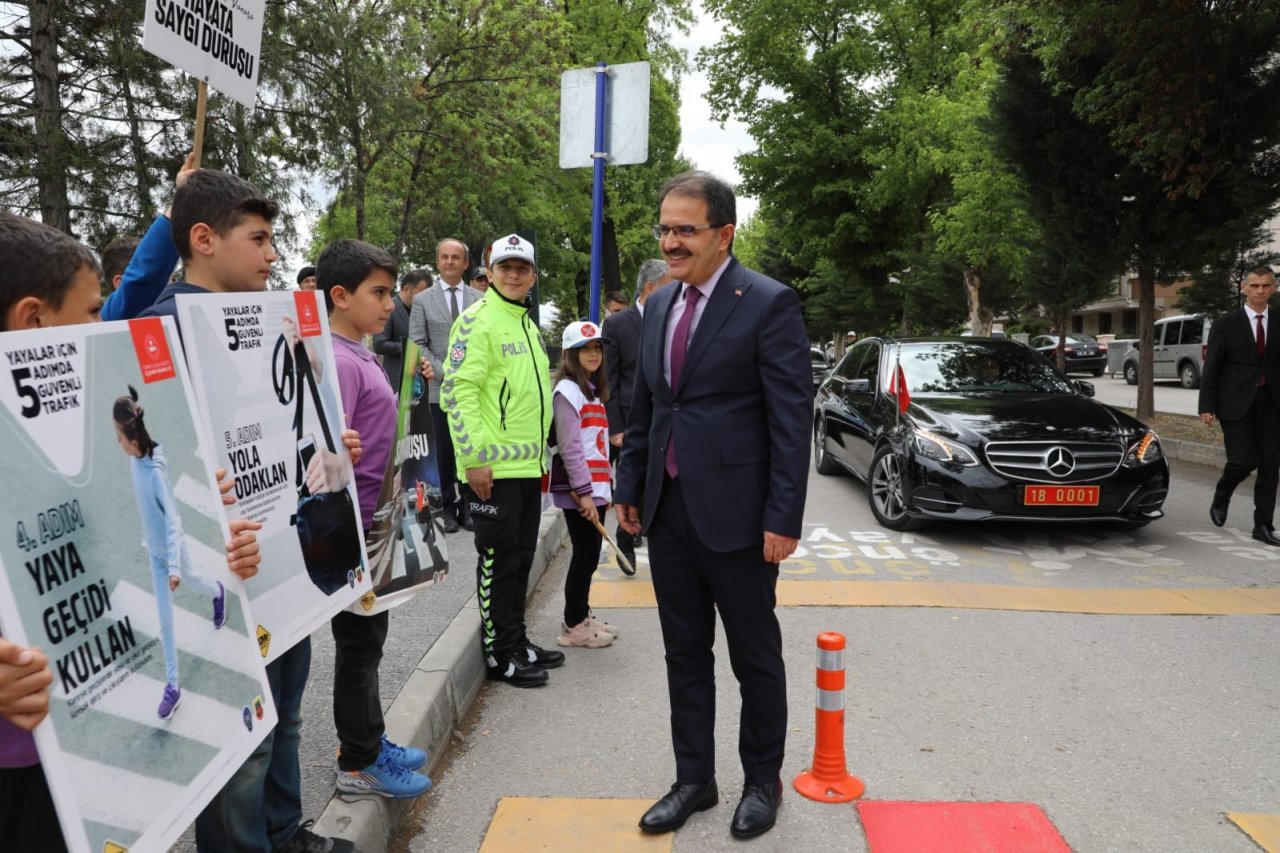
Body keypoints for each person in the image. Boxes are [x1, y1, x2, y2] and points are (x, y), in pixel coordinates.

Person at [0, 211, 261, 852]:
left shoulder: (92, 432)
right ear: (31, 320)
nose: (108, 326)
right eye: (94, 312)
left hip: (86, 757)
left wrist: (228, 540)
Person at [138, 170, 350, 853]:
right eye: (257, 239)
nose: (270, 255)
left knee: (286, 717)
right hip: (226, 572)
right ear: (203, 239)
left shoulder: (271, 319)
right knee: (243, 733)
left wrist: (330, 442)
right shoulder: (160, 331)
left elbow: (287, 419)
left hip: (284, 560)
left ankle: (285, 833)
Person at [615, 171, 811, 840]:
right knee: (684, 653)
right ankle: (694, 778)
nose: (671, 242)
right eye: (665, 228)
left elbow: (791, 419)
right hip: (668, 512)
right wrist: (629, 486)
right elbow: (648, 406)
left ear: (724, 234)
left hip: (740, 517)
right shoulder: (660, 307)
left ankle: (762, 780)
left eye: (685, 229)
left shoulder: (767, 302)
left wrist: (783, 516)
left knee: (754, 656)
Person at [318, 239, 433, 800]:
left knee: (372, 641)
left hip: (379, 522)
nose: (390, 305)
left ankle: (369, 737)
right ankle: (358, 760)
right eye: (378, 293)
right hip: (357, 530)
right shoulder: (339, 360)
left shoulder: (359, 351)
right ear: (339, 296)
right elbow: (324, 454)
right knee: (360, 645)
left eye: (390, 292)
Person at [441, 234, 563, 687]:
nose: (514, 275)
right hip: (491, 471)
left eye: (522, 268)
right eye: (505, 268)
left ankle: (516, 639)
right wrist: (473, 460)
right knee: (497, 559)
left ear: (532, 276)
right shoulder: (477, 322)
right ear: (489, 272)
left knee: (520, 557)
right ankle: (499, 653)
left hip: (528, 467)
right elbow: (458, 392)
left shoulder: (526, 323)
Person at [114, 384, 228, 719]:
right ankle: (173, 686)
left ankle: (217, 591)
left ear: (133, 440)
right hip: (155, 554)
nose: (117, 443)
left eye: (119, 438)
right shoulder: (137, 458)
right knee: (165, 622)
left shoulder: (154, 476)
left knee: (196, 581)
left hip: (174, 556)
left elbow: (174, 523)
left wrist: (177, 569)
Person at [549, 321, 621, 648]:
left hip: (595, 489)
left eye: (597, 348)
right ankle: (573, 626)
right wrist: (584, 492)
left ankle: (581, 614)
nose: (593, 354)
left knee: (590, 556)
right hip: (581, 491)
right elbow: (570, 445)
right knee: (584, 556)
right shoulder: (567, 391)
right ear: (569, 354)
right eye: (585, 349)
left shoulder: (591, 389)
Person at [1199, 265, 1280, 544]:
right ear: (1243, 288)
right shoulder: (1226, 324)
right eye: (1254, 285)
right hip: (1235, 403)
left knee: (1270, 466)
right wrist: (1206, 405)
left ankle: (1263, 526)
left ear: (1274, 288)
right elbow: (1212, 366)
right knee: (1244, 460)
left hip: (1273, 403)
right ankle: (1223, 493)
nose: (1260, 291)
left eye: (1266, 286)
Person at [602, 259, 672, 568]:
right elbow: (609, 380)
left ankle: (646, 532)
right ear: (651, 288)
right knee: (632, 479)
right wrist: (616, 426)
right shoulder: (618, 324)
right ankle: (626, 540)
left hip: (665, 417)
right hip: (629, 419)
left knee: (655, 481)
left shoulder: (675, 318)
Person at [409, 238, 482, 534]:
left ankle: (468, 506)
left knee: (468, 449)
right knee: (443, 454)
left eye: (456, 257)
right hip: (439, 389)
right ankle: (447, 509)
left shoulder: (480, 300)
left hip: (472, 391)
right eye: (444, 257)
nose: (450, 262)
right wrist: (444, 373)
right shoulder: (423, 300)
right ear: (438, 261)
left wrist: (465, 375)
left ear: (465, 263)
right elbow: (417, 343)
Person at [99, 152, 197, 321]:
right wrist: (183, 200)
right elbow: (146, 275)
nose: (172, 287)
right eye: (162, 280)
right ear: (120, 284)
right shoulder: (108, 320)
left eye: (171, 278)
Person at [372, 268, 431, 391]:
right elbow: (380, 344)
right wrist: (412, 348)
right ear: (406, 289)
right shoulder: (388, 308)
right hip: (396, 382)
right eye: (420, 295)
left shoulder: (419, 310)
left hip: (418, 383)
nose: (423, 300)